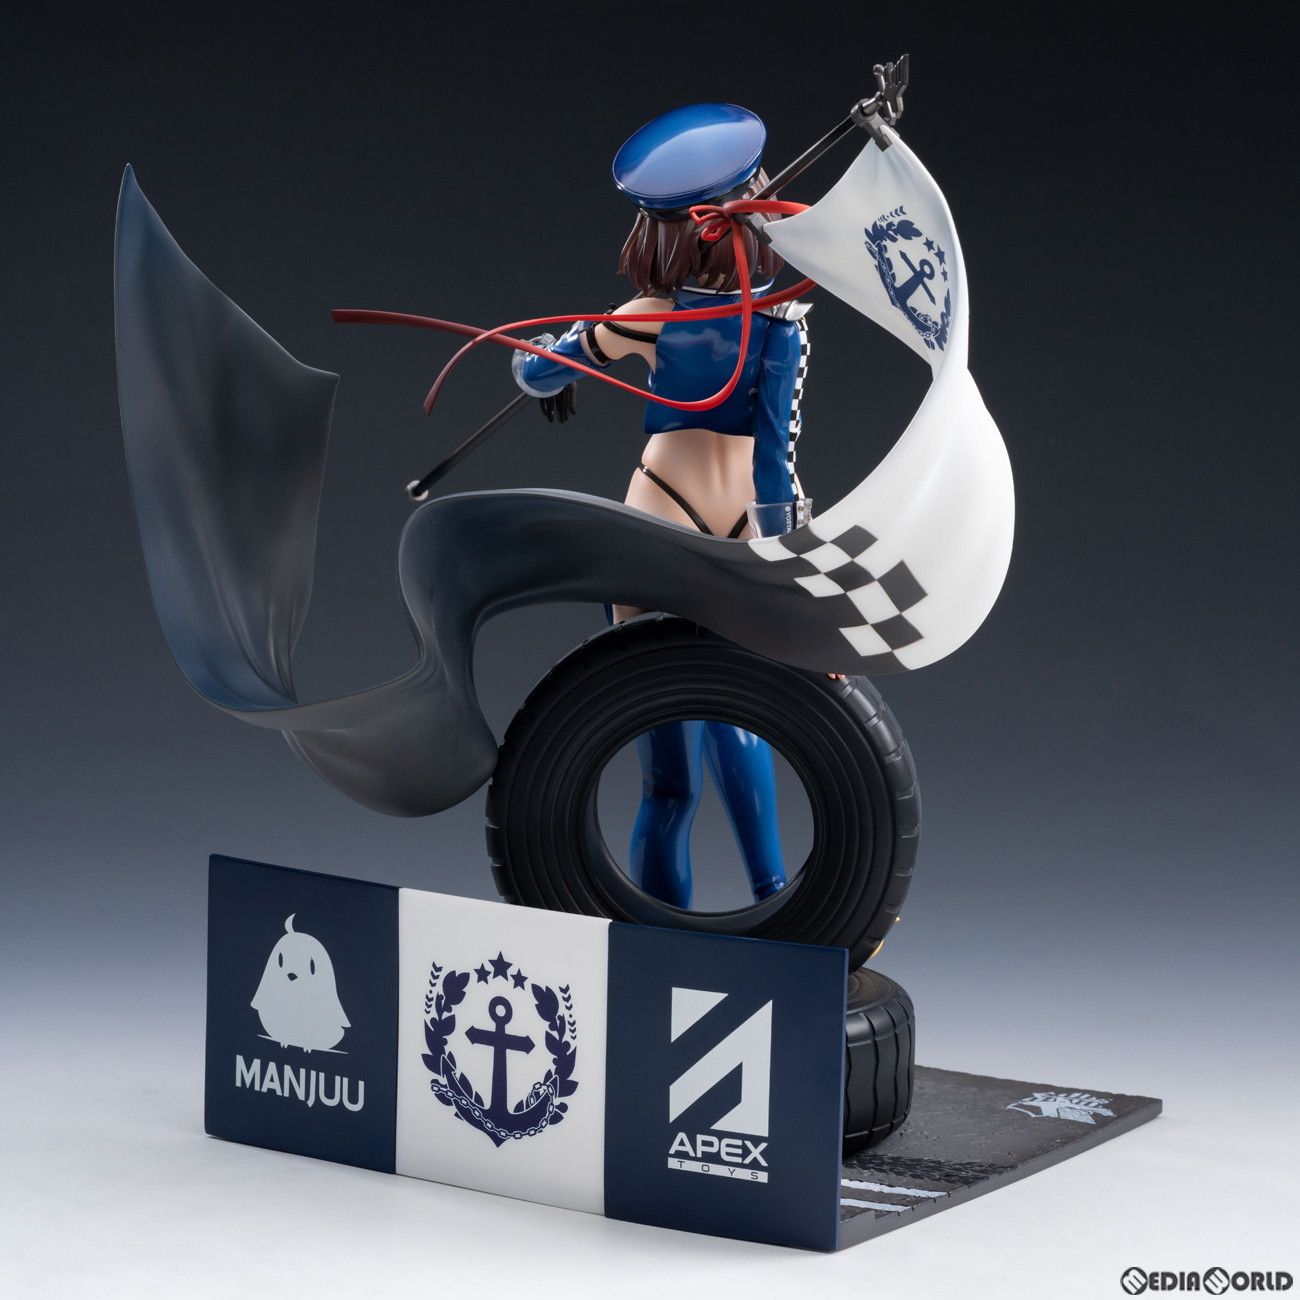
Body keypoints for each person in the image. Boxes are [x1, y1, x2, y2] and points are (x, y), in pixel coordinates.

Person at [509, 104, 812, 910]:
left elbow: (536, 372)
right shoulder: (779, 326)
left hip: (658, 522)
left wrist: (559, 358)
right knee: (739, 724)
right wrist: (791, 565)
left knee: (669, 776)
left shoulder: (647, 318)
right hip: (742, 527)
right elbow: (775, 466)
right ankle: (777, 905)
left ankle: (659, 939)